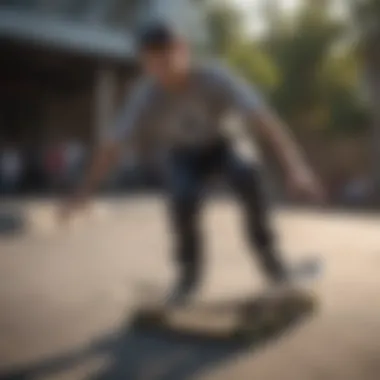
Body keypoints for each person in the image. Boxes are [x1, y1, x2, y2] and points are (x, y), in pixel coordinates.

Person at [59, 22, 324, 304]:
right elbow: (111, 147)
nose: (164, 66)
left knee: (246, 173)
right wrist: (84, 193)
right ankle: (188, 277)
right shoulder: (145, 95)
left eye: (168, 55)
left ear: (184, 50)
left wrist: (297, 168)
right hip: (183, 154)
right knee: (182, 195)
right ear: (145, 64)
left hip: (225, 143)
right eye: (153, 60)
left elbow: (265, 120)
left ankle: (273, 265)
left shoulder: (216, 76)